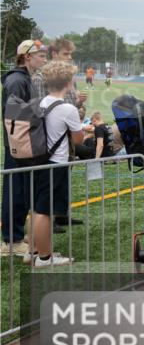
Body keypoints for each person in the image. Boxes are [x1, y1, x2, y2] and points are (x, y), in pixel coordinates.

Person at [24, 60, 85, 267]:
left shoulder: (40, 102)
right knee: (45, 212)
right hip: (56, 163)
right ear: (67, 83)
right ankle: (44, 257)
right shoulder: (67, 108)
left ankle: (33, 251)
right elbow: (78, 140)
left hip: (38, 160)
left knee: (36, 209)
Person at [1, 40, 47, 256]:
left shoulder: (24, 79)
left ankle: (16, 235)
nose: (44, 58)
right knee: (16, 192)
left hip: (24, 144)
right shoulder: (16, 81)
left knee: (22, 191)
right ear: (27, 56)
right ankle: (12, 240)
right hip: (18, 146)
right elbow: (16, 118)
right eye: (40, 54)